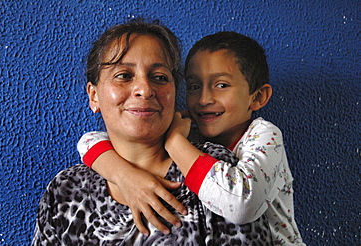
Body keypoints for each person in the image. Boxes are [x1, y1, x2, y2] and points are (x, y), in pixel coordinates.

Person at [32, 19, 272, 245]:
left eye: (159, 77)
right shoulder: (65, 189)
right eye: (124, 76)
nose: (145, 90)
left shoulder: (219, 175)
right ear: (94, 96)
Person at [77, 31, 306, 245]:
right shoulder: (192, 132)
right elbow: (88, 141)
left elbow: (240, 206)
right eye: (195, 86)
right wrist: (125, 176)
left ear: (258, 97)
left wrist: (174, 142)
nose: (204, 99)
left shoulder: (264, 136)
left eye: (222, 85)